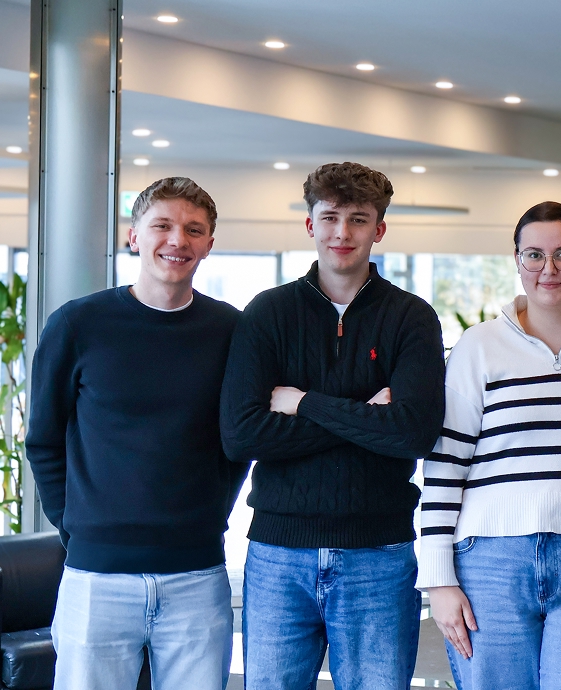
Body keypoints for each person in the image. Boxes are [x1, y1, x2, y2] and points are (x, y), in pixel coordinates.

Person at [220, 162, 446, 688]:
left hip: (379, 554)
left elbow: (413, 433)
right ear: (310, 225)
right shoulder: (267, 313)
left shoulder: (411, 317)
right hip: (278, 554)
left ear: (379, 229)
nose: (342, 233)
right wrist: (367, 414)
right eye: (330, 217)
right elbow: (242, 434)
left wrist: (303, 402)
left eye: (358, 219)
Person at [420, 201, 561, 690]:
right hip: (490, 562)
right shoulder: (477, 346)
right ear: (517, 260)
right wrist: (439, 580)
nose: (549, 269)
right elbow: (445, 466)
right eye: (534, 255)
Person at [27, 177, 245, 689]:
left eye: (194, 230)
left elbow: (238, 444)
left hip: (198, 576)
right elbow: (43, 440)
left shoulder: (232, 331)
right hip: (96, 579)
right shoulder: (77, 325)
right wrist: (81, 528)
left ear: (209, 245)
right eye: (162, 225)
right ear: (134, 236)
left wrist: (210, 514)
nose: (178, 240)